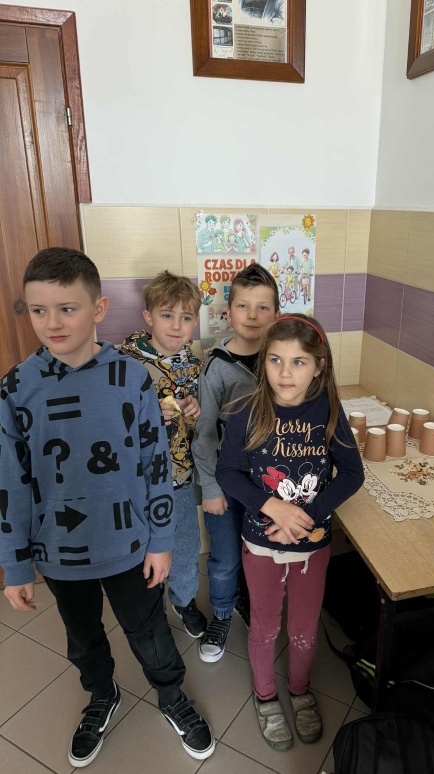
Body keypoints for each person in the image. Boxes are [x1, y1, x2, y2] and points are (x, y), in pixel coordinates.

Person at [0, 248, 214, 766]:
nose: (52, 323)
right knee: (82, 637)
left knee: (150, 632)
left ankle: (171, 695)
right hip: (59, 551)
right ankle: (102, 694)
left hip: (130, 546)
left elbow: (156, 466)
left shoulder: (131, 378)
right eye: (38, 310)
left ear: (98, 309)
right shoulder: (16, 388)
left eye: (67, 308)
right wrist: (15, 564)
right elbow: (11, 481)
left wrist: (161, 541)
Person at [215, 314, 364, 750]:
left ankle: (299, 691)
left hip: (311, 546)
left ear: (319, 366)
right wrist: (272, 507)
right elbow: (227, 471)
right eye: (275, 360)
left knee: (303, 629)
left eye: (299, 362)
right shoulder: (246, 411)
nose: (285, 373)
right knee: (264, 627)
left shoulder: (329, 412)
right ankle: (265, 697)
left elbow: (351, 473)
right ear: (263, 361)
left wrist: (307, 516)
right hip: (261, 544)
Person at [192, 263, 279, 663]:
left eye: (263, 307)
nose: (252, 315)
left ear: (277, 314)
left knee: (262, 555)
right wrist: (210, 488)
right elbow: (205, 434)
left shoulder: (283, 361)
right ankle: (223, 613)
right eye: (243, 306)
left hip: (271, 485)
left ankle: (256, 609)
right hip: (227, 484)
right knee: (225, 557)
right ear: (228, 312)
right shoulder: (217, 365)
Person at [119, 270, 206, 641]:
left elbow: (203, 423)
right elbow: (109, 421)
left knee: (185, 545)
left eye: (185, 317)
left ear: (194, 322)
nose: (176, 326)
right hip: (137, 481)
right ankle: (150, 609)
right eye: (167, 315)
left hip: (180, 476)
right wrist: (147, 413)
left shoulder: (194, 364)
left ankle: (183, 600)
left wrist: (196, 410)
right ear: (148, 317)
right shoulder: (124, 363)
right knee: (142, 550)